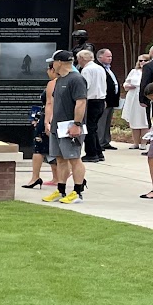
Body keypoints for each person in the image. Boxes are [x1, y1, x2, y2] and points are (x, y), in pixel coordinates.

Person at [46, 50, 88, 204]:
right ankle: (61, 190)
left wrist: (77, 124)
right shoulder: (59, 80)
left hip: (70, 127)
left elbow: (81, 102)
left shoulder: (76, 79)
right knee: (60, 159)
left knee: (74, 158)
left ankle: (77, 192)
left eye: (53, 62)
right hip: (58, 127)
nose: (52, 66)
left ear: (59, 62)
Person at [22, 60, 59, 188]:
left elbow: (50, 104)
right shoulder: (65, 82)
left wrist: (45, 121)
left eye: (48, 70)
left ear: (53, 70)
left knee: (38, 148)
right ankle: (56, 177)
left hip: (48, 119)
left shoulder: (53, 84)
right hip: (51, 117)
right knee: (52, 150)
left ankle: (35, 177)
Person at [76, 49, 106, 162]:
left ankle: (91, 153)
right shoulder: (100, 68)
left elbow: (85, 86)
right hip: (101, 100)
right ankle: (98, 152)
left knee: (88, 128)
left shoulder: (87, 70)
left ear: (82, 59)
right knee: (93, 128)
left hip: (91, 101)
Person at [121, 55, 150, 152]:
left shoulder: (149, 71)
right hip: (133, 97)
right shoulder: (134, 71)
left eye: (145, 60)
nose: (142, 62)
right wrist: (128, 86)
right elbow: (125, 83)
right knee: (134, 120)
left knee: (144, 121)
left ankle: (143, 143)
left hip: (144, 97)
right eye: (140, 60)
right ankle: (135, 143)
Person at [96, 48, 120, 149]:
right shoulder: (98, 68)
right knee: (101, 122)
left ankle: (106, 141)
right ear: (100, 57)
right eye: (108, 56)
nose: (110, 58)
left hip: (111, 100)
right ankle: (100, 142)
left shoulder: (108, 68)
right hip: (104, 99)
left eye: (111, 56)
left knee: (107, 122)